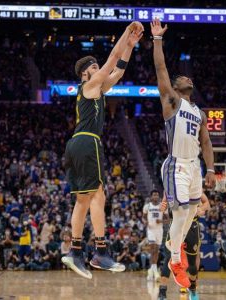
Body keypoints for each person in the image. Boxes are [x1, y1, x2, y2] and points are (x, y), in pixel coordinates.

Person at [62, 21, 144, 279]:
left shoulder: (96, 89)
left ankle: (78, 252)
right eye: (94, 68)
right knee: (96, 198)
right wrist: (126, 33)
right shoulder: (89, 85)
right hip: (87, 141)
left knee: (87, 199)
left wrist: (129, 46)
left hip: (78, 144)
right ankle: (98, 252)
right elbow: (111, 59)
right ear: (85, 74)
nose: (100, 70)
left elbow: (117, 71)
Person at [151, 18, 215, 288]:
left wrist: (210, 170)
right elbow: (161, 67)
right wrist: (157, 39)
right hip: (176, 164)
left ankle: (173, 248)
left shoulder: (199, 112)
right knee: (179, 213)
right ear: (175, 88)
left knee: (191, 214)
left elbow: (208, 143)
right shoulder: (172, 101)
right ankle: (175, 258)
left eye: (189, 77)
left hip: (194, 167)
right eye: (182, 78)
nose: (188, 78)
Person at [158, 193, 211, 300]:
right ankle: (162, 292)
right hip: (176, 224)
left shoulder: (195, 184)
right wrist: (162, 206)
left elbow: (207, 204)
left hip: (192, 225)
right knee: (169, 258)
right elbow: (163, 204)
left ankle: (192, 289)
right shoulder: (171, 184)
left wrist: (201, 209)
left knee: (192, 262)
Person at [143, 190, 169, 281]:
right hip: (151, 230)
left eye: (157, 195)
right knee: (153, 249)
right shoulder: (147, 206)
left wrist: (161, 221)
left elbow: (168, 220)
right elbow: (144, 217)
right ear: (151, 197)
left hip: (159, 230)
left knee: (156, 251)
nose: (156, 196)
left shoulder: (162, 206)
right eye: (154, 195)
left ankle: (151, 269)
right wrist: (145, 222)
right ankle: (155, 271)